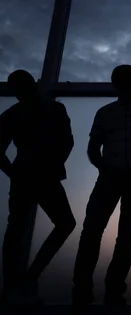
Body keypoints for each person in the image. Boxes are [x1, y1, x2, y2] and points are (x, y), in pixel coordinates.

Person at [71, 65, 131, 308]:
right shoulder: (107, 113)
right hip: (113, 177)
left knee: (115, 234)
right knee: (99, 232)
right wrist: (105, 168)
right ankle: (92, 289)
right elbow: (94, 148)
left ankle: (105, 290)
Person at [0, 70, 76, 306]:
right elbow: (67, 141)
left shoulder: (16, 113)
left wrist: (15, 173)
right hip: (40, 174)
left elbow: (67, 141)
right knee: (52, 225)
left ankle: (19, 282)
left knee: (18, 229)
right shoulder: (50, 110)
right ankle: (24, 281)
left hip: (32, 173)